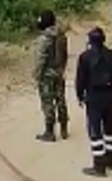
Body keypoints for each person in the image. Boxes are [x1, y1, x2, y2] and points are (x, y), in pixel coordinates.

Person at [75, 27, 112, 177]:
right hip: (109, 98)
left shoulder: (84, 57)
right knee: (110, 129)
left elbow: (80, 80)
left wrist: (80, 96)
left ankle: (99, 166)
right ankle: (110, 160)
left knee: (95, 132)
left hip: (94, 98)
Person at [33, 10, 69, 142]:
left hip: (47, 76)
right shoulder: (62, 36)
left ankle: (49, 131)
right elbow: (65, 55)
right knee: (61, 100)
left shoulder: (43, 40)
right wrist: (62, 69)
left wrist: (37, 75)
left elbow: (40, 60)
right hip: (59, 72)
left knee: (48, 103)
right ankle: (64, 127)